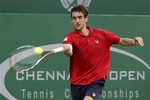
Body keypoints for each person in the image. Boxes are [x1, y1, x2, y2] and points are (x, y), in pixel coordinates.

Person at [62, 4, 144, 100]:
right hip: (77, 83)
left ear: (86, 19)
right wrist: (67, 50)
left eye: (80, 17)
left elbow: (121, 41)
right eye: (74, 18)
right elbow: (68, 50)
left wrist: (133, 41)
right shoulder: (70, 37)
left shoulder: (102, 35)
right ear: (71, 20)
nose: (77, 21)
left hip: (96, 81)